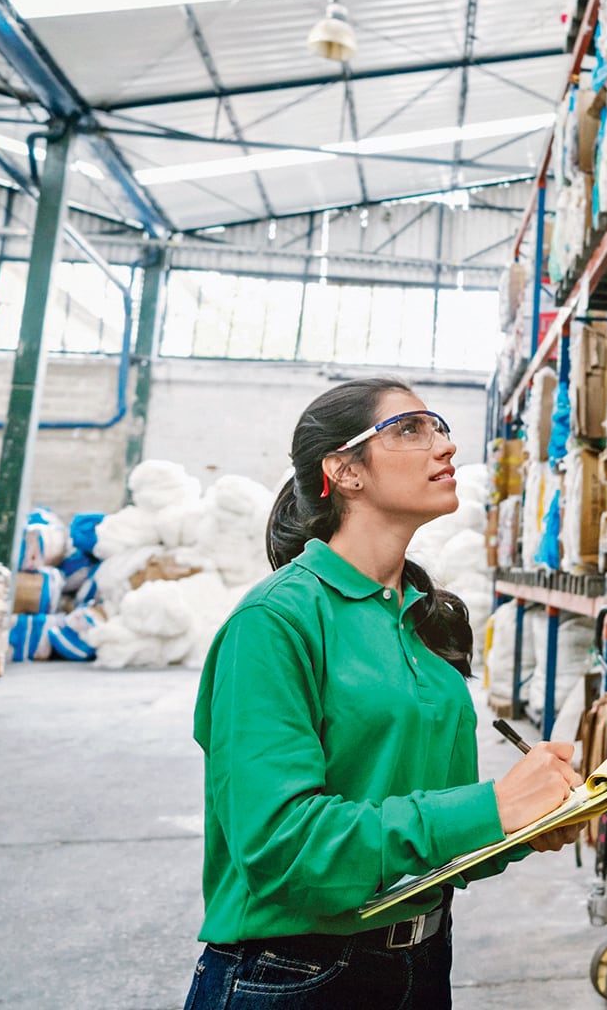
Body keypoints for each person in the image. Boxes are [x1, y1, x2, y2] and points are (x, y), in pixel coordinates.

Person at [184, 378, 582, 1009]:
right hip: (295, 973)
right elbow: (281, 847)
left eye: (442, 427)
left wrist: (525, 826)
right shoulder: (275, 622)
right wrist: (490, 809)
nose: (445, 447)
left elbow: (430, 829)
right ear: (345, 471)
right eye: (410, 429)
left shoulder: (426, 621)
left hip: (422, 960)